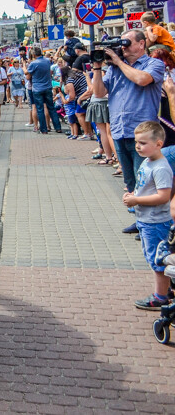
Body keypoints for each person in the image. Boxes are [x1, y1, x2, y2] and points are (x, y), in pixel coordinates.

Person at [90, 30, 166, 198]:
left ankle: (149, 222)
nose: (123, 47)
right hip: (120, 130)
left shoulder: (154, 64)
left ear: (141, 44)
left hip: (143, 133)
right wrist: (97, 67)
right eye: (121, 43)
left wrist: (118, 61)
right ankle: (139, 219)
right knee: (130, 182)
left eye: (127, 43)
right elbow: (99, 92)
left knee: (144, 181)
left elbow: (142, 79)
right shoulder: (114, 69)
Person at [122, 121, 174, 310]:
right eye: (137, 142)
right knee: (153, 256)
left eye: (143, 143)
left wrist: (137, 201)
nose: (138, 146)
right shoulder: (148, 161)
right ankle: (166, 290)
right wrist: (133, 195)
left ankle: (161, 297)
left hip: (156, 222)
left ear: (159, 144)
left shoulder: (160, 167)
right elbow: (144, 187)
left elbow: (163, 196)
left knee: (158, 260)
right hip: (145, 220)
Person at [26, 46, 62, 134]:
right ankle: (58, 127)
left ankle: (44, 129)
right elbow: (54, 59)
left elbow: (27, 74)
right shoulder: (47, 61)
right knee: (51, 108)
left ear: (34, 54)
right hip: (48, 87)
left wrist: (24, 65)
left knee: (40, 109)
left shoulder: (33, 64)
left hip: (37, 88)